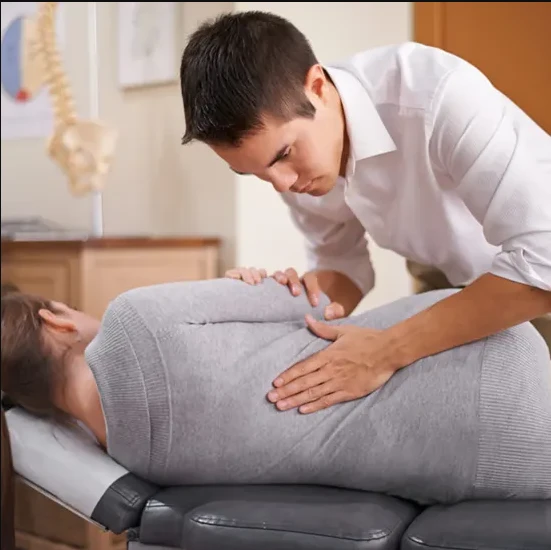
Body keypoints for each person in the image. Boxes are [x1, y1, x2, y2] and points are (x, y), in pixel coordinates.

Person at [178, 11, 551, 415]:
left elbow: (543, 260)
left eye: (283, 155)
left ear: (317, 88)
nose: (281, 184)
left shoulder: (436, 95)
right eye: (254, 172)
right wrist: (278, 301)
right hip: (444, 282)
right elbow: (343, 268)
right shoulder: (293, 170)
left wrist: (387, 350)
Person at [2, 277, 551, 550]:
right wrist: (251, 281)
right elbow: (316, 303)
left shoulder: (134, 461)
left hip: (500, 472)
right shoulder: (131, 320)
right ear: (59, 322)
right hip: (483, 352)